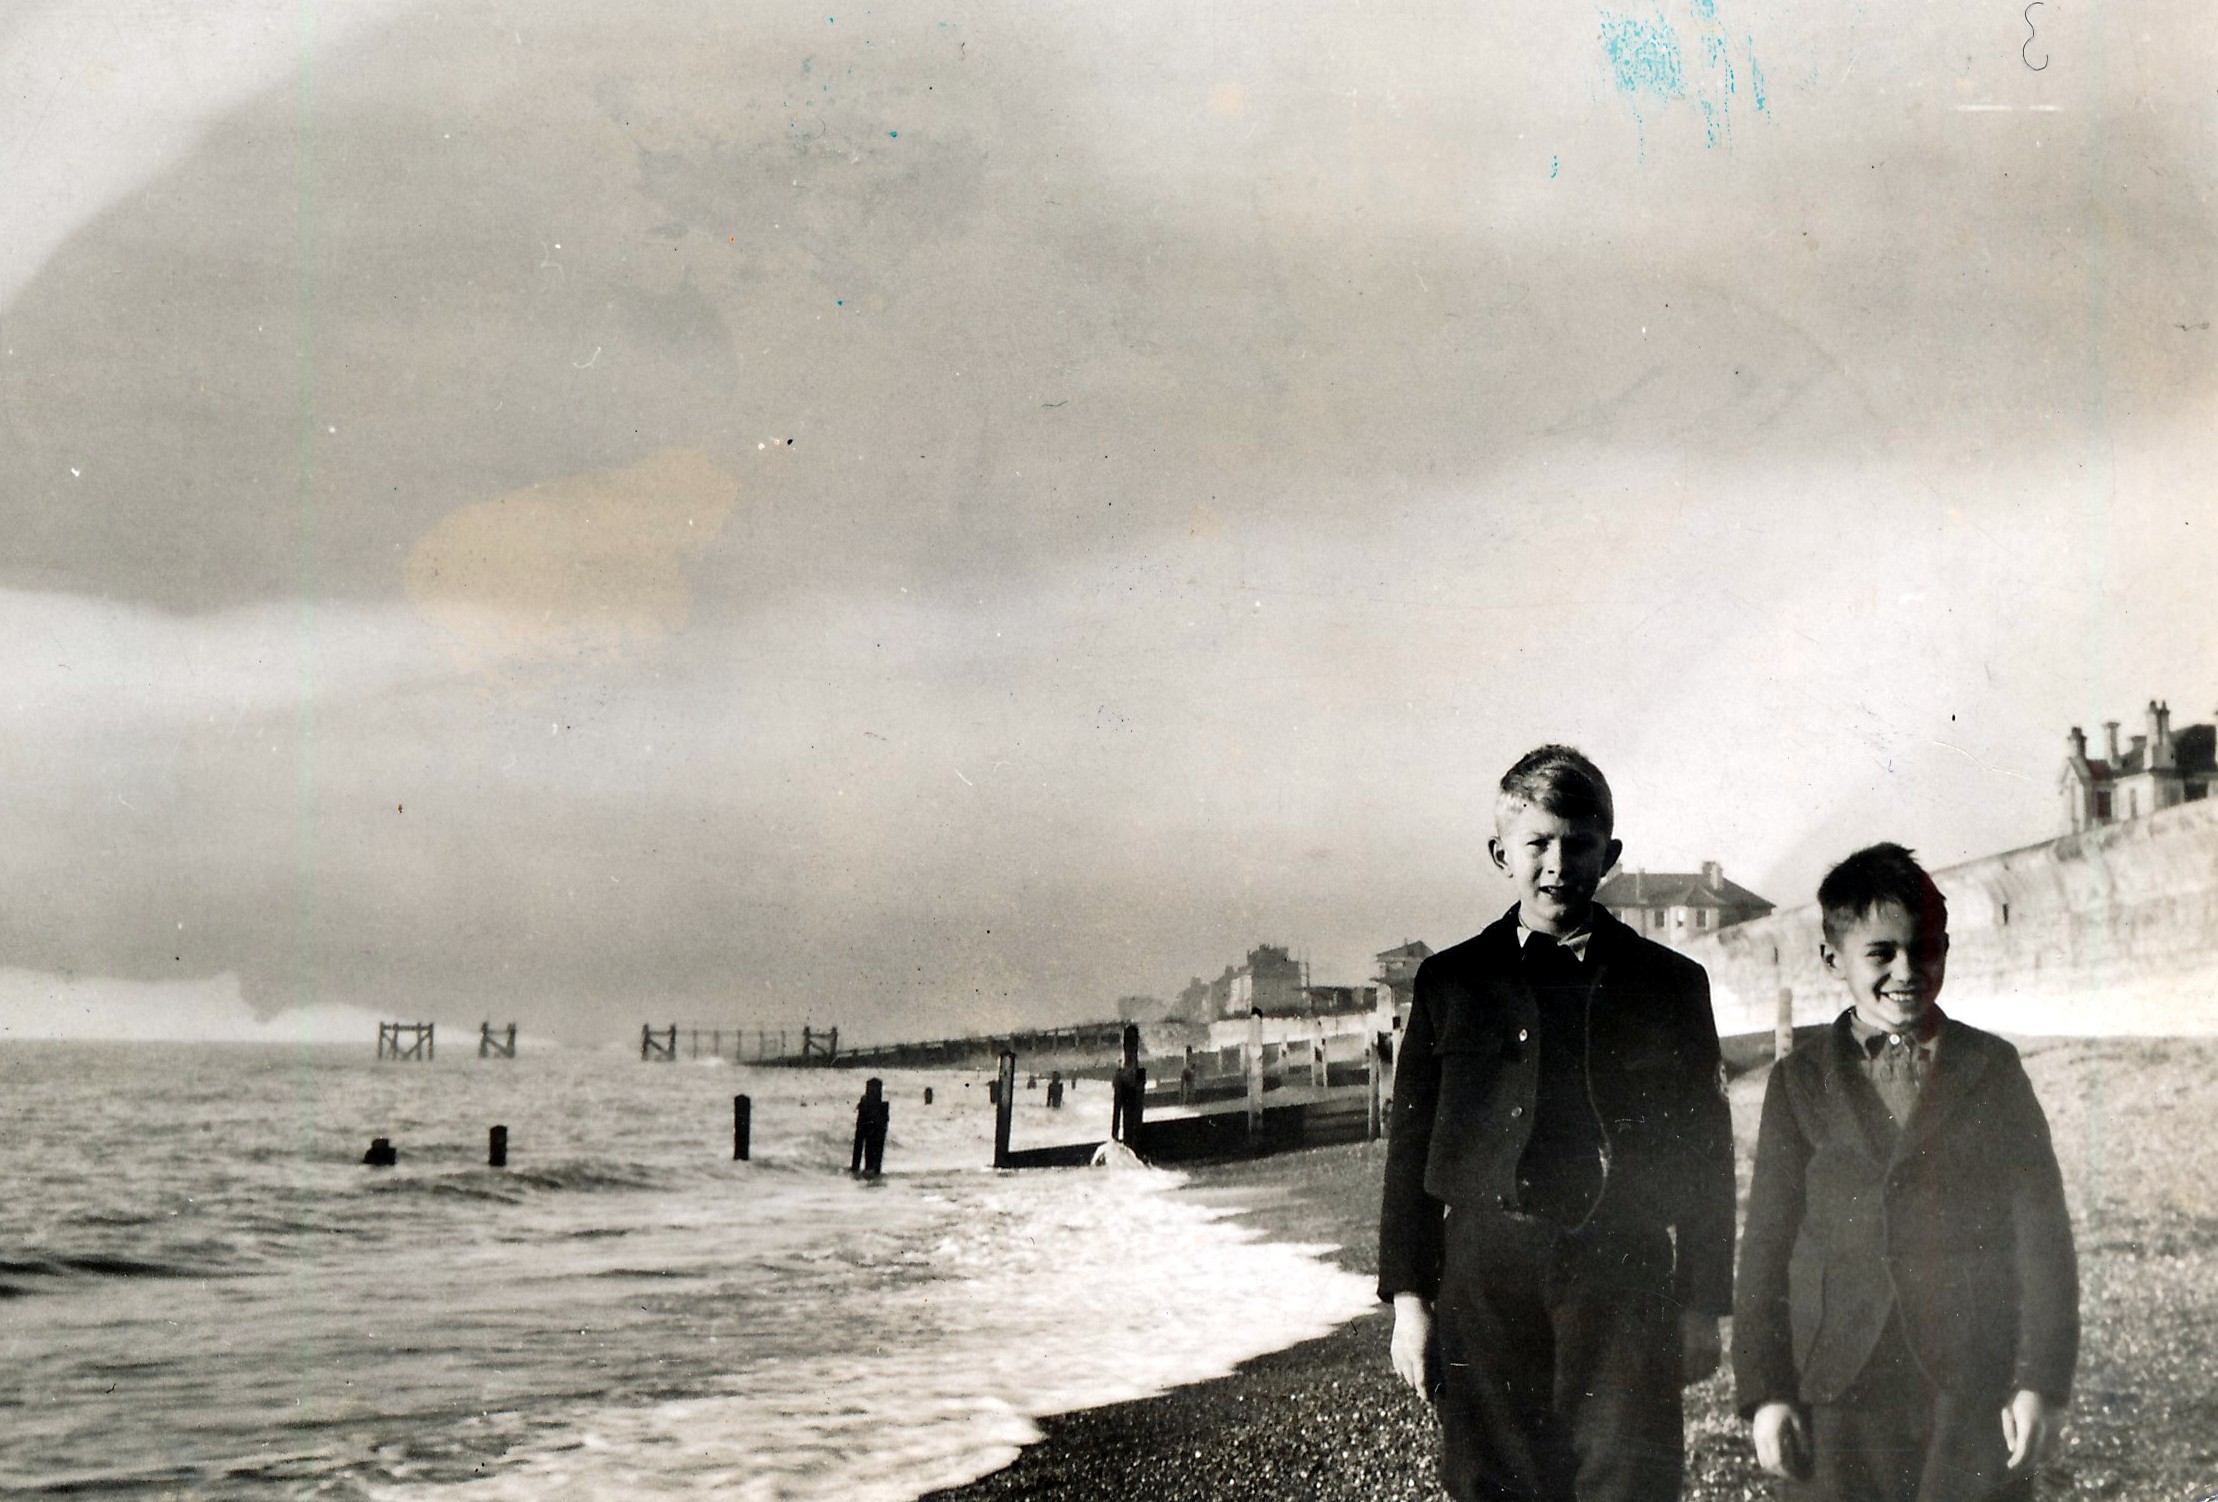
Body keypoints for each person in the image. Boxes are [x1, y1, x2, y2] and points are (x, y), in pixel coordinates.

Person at [1379, 745, 1736, 1502]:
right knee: (1493, 1479)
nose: (1557, 865)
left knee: (1629, 1479)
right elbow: (1409, 1152)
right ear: (1500, 854)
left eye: (1578, 845)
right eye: (1537, 843)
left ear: (1610, 854)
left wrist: (1703, 1304)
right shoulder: (1451, 982)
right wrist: (1410, 1303)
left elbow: (1708, 1155)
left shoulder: (1670, 984)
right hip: (1484, 1278)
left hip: (1623, 1275)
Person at [1732, 844, 2079, 1502]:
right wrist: (1767, 1392)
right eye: (1881, 953)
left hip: (1971, 1382)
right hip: (1835, 1388)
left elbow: (2043, 1235)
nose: (1907, 971)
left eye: (1925, 950)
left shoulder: (1992, 1069)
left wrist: (2041, 1382)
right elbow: (1767, 1245)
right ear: (1832, 958)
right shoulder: (1797, 1080)